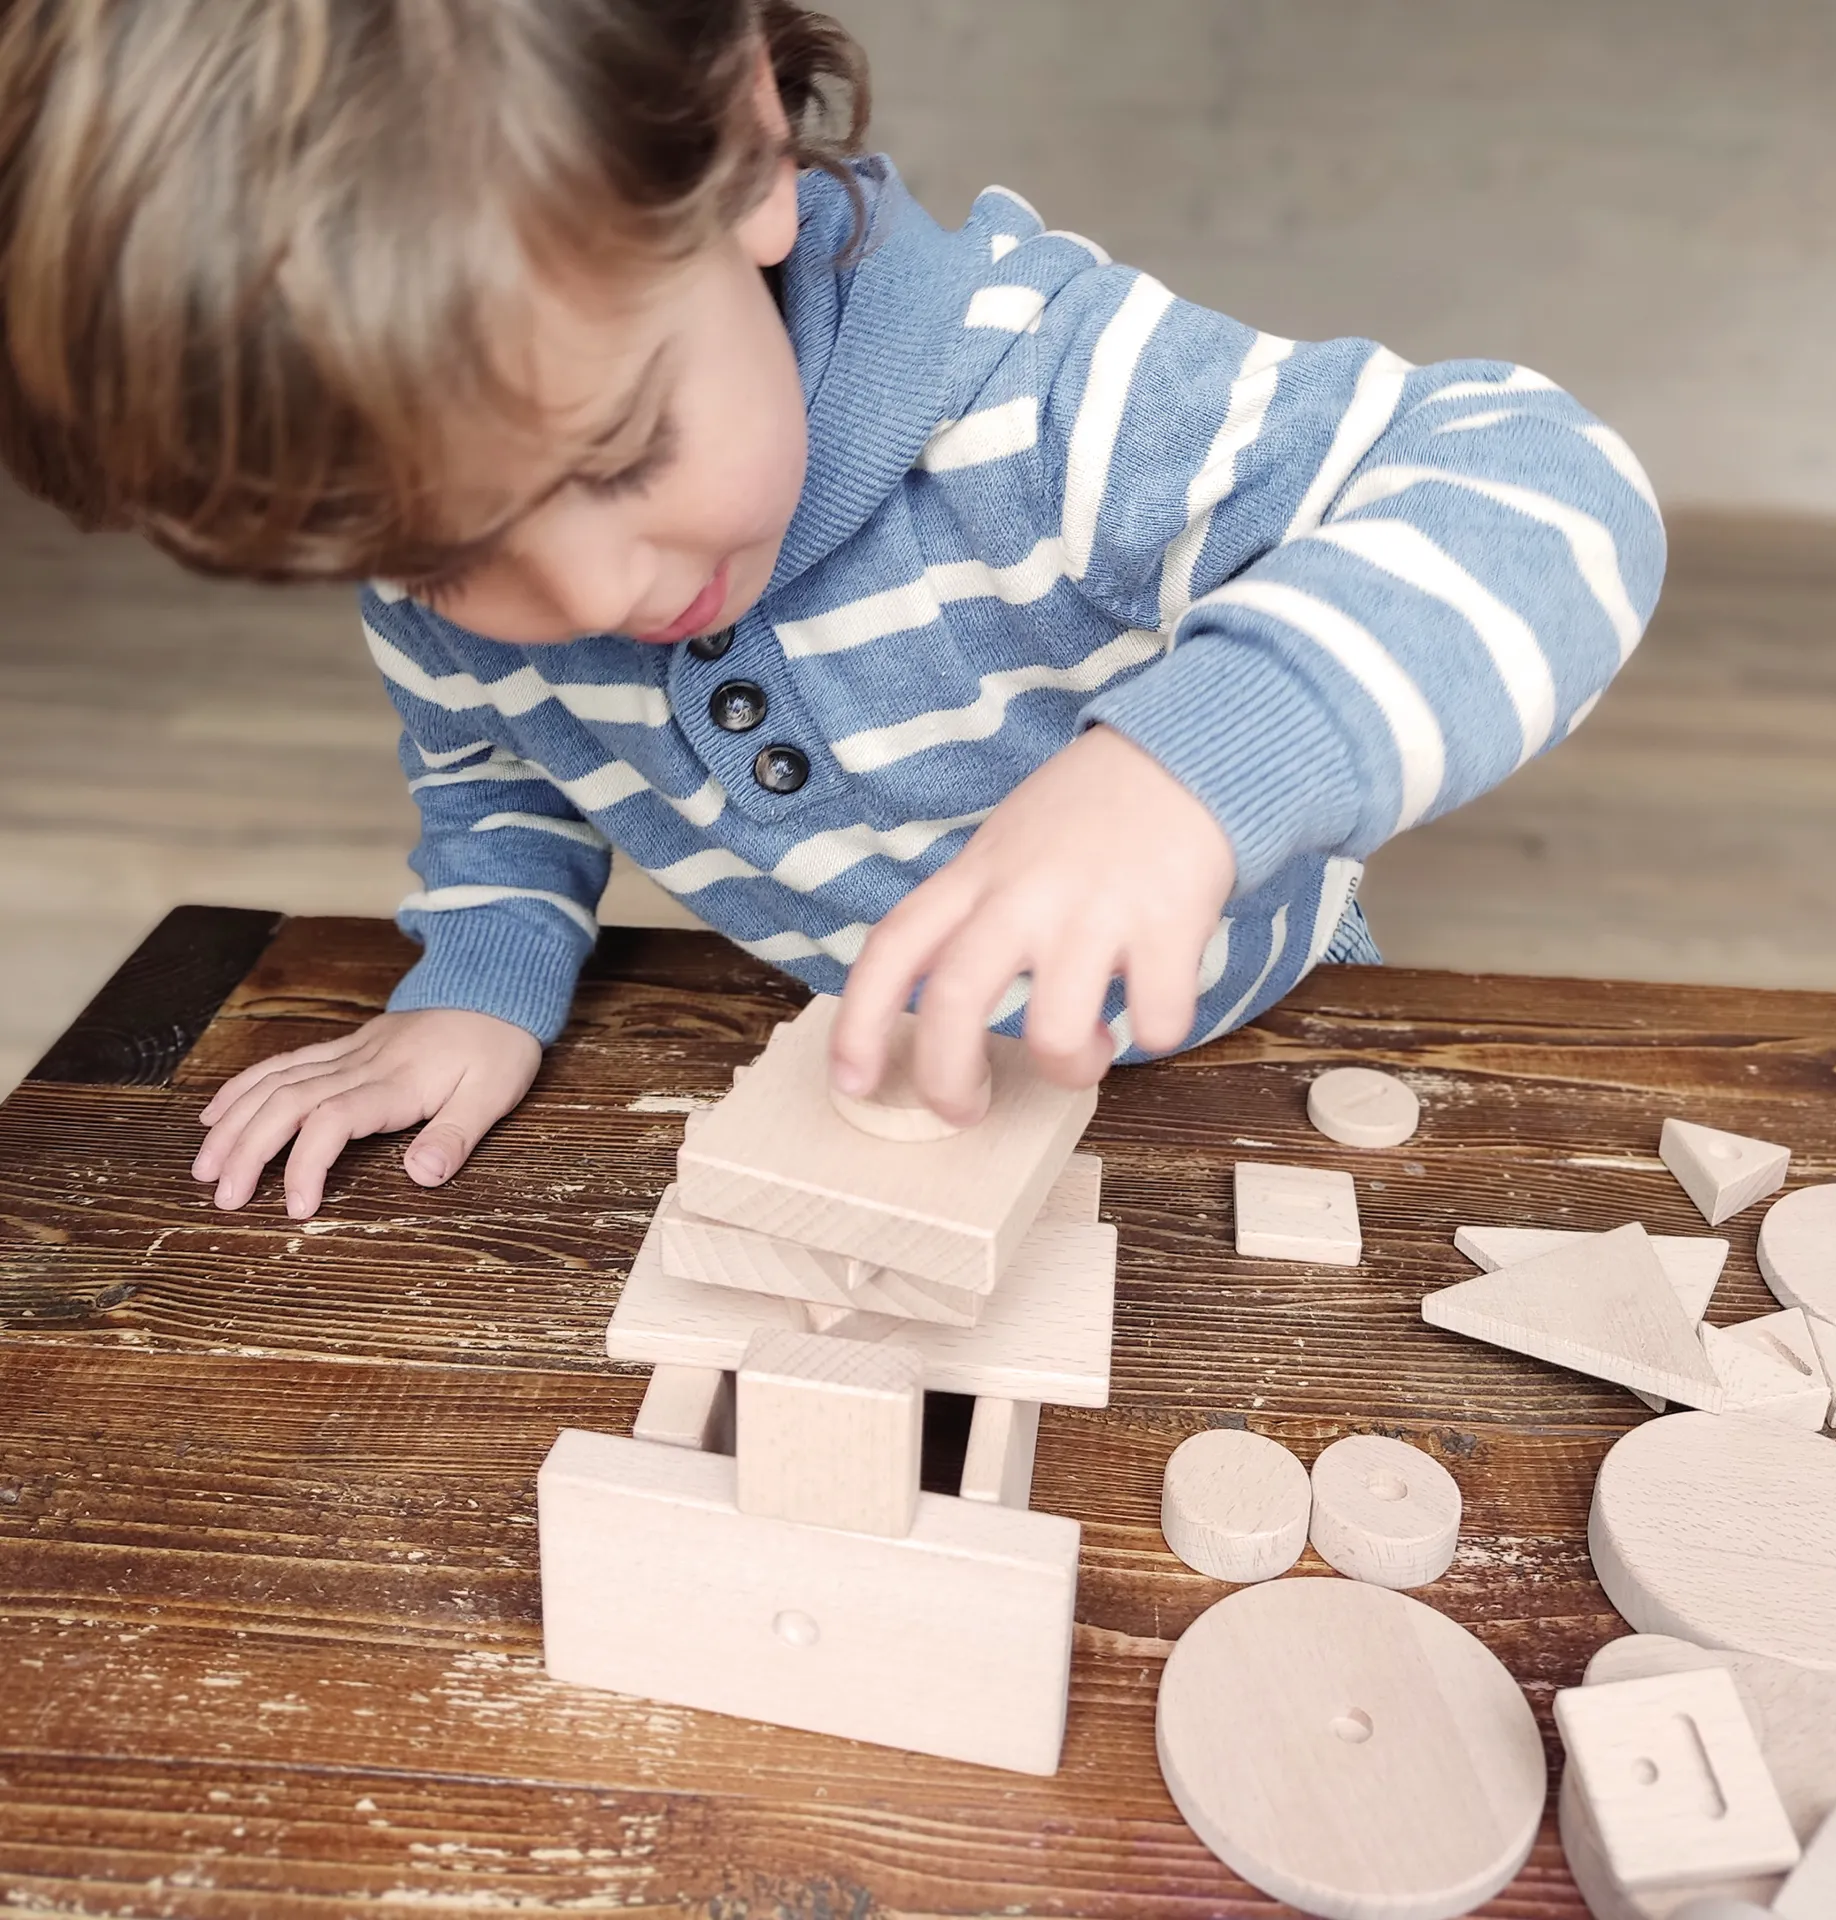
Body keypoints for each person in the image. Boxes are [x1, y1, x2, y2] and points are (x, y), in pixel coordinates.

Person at [0, 1, 1665, 1220]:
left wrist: (1190, 774)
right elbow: (498, 760)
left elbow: (1547, 489)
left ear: (743, 151)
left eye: (616, 448)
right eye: (436, 558)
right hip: (860, 1084)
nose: (585, 597)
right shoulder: (469, 600)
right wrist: (480, 975)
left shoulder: (1052, 401)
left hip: (1238, 1056)